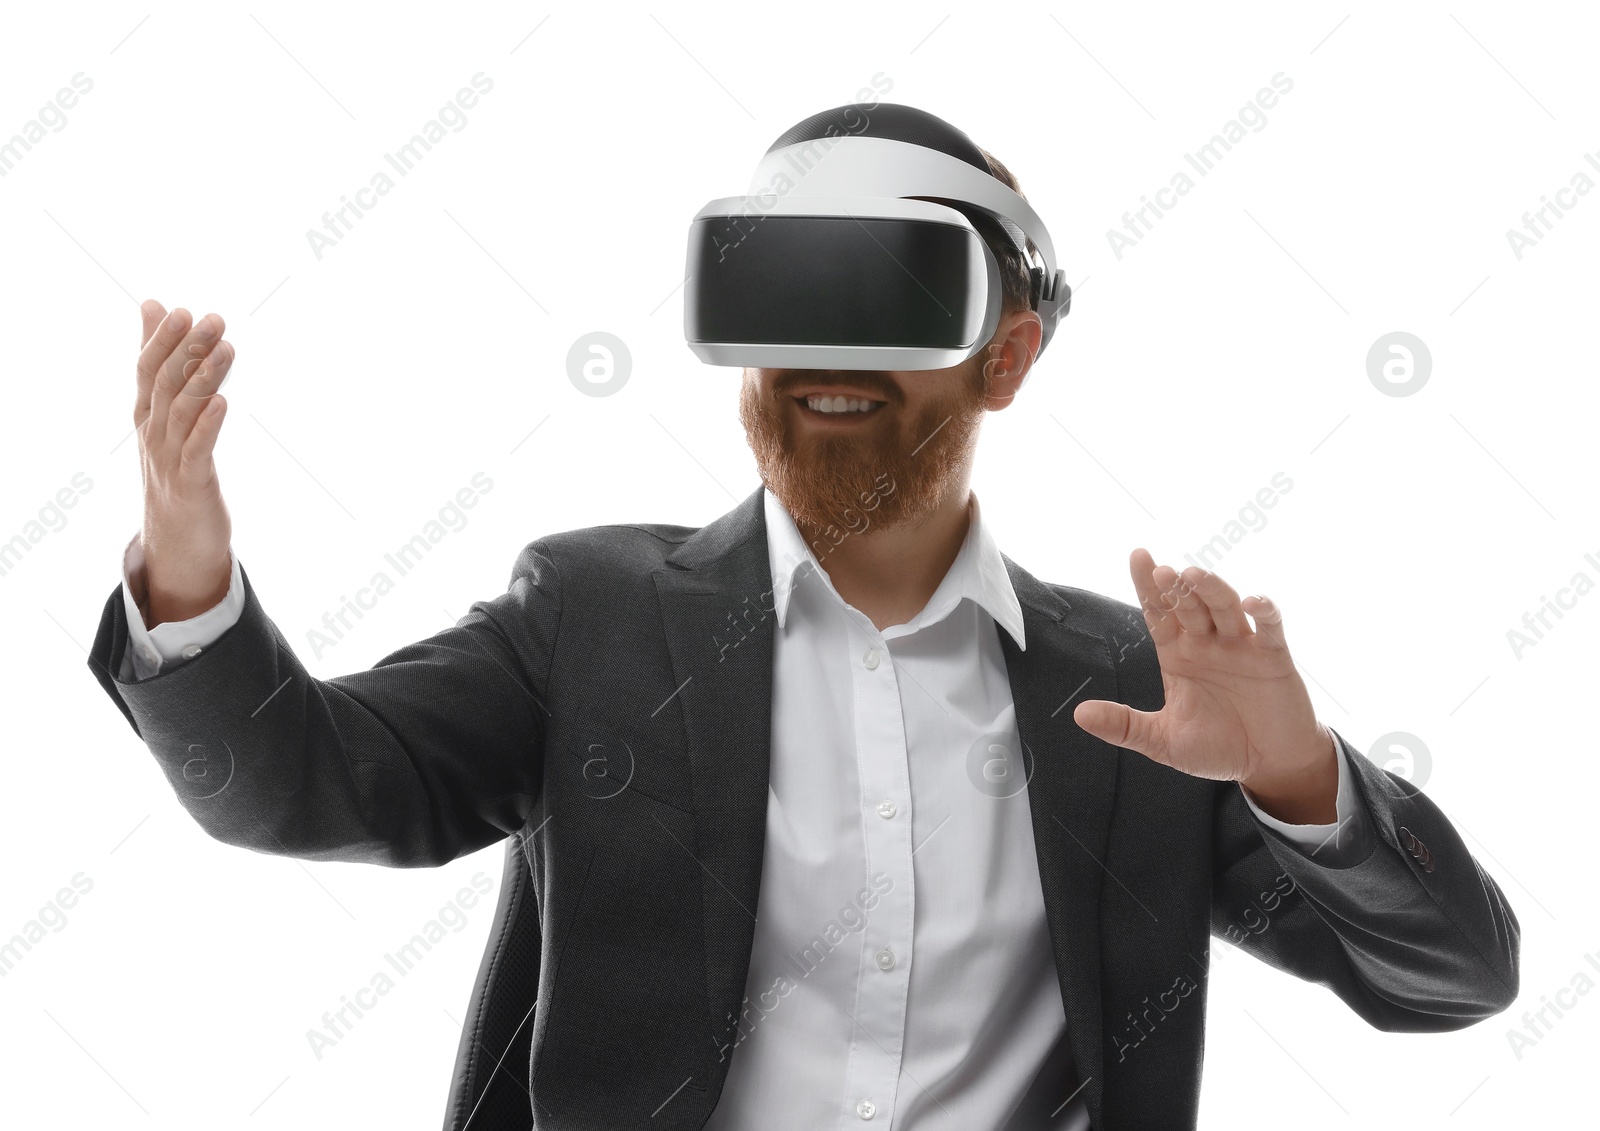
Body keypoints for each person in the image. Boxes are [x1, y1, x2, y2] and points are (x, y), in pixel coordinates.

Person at [87, 105, 1519, 1131]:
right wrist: (189, 567)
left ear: (1006, 357)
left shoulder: (1144, 702)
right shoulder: (591, 619)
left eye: (886, 298)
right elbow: (294, 791)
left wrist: (1298, 778)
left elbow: (1450, 980)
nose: (826, 355)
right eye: (783, 296)